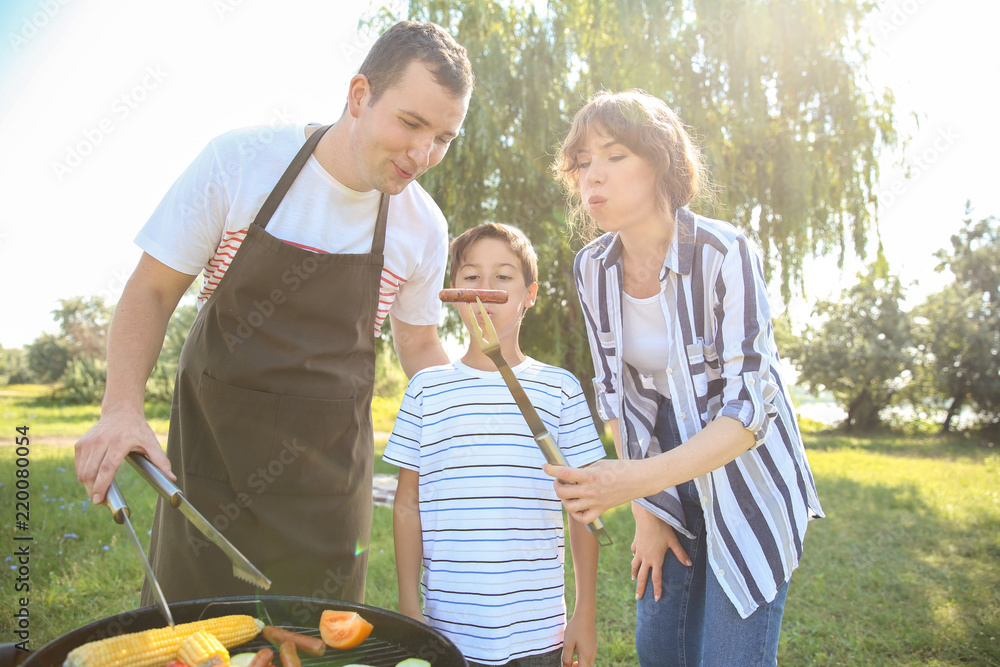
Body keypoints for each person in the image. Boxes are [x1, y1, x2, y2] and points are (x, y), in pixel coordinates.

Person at [73, 20, 474, 604]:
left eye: (443, 137)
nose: (423, 154)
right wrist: (120, 407)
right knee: (192, 638)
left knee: (316, 641)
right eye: (412, 123)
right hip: (208, 471)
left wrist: (467, 429)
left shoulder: (423, 226)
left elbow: (417, 344)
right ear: (359, 95)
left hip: (328, 490)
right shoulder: (241, 163)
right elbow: (152, 292)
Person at [545, 90, 824, 666]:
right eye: (582, 162)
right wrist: (647, 513)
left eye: (615, 155)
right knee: (660, 650)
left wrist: (631, 482)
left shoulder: (725, 251)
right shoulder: (592, 267)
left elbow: (750, 411)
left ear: (661, 162)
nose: (592, 176)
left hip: (745, 474)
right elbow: (616, 396)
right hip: (661, 476)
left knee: (729, 656)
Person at [383, 223, 603, 667]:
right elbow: (407, 504)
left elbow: (585, 509)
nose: (485, 290)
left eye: (503, 277)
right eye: (471, 278)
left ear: (530, 293)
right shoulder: (426, 389)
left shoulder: (559, 389)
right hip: (447, 629)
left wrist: (586, 613)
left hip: (539, 631)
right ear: (452, 292)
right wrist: (409, 606)